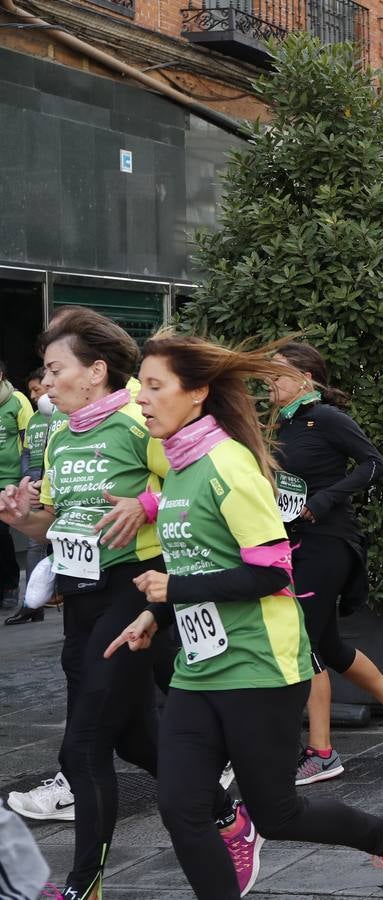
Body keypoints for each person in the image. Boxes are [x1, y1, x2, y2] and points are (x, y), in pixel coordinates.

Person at [106, 333, 383, 900]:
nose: (142, 399)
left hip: (260, 665)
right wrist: (157, 614)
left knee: (278, 813)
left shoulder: (228, 465)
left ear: (198, 393)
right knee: (182, 807)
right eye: (144, 387)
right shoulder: (181, 466)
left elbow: (273, 573)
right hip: (200, 667)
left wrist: (173, 587)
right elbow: (200, 558)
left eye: (156, 387)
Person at [0, 309, 245, 899]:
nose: (46, 381)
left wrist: (148, 503)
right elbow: (57, 525)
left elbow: (190, 481)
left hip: (135, 589)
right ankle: (226, 815)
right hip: (79, 596)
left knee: (81, 746)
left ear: (96, 372)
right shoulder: (61, 435)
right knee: (133, 737)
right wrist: (20, 517)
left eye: (57, 369)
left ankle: (84, 887)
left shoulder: (139, 422)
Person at [268, 342, 383, 785]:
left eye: (277, 374)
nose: (269, 383)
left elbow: (374, 465)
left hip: (329, 541)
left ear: (306, 378)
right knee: (329, 646)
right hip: (293, 544)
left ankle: (321, 753)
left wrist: (321, 501)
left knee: (304, 643)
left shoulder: (327, 418)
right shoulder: (280, 424)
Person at [7, 369, 53, 626]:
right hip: (35, 485)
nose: (35, 396)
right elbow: (27, 452)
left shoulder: (59, 417)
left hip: (50, 485)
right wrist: (28, 481)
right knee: (36, 544)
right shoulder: (35, 419)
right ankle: (32, 604)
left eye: (38, 390)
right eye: (33, 391)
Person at [0, 360, 34, 607]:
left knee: (1, 533)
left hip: (9, 478)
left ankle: (10, 584)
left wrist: (26, 476)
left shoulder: (17, 400)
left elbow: (29, 439)